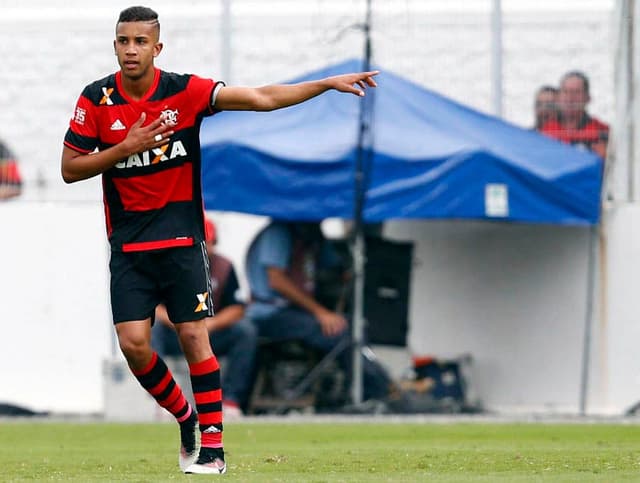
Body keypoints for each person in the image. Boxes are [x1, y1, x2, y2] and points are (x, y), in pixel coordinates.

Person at [60, 5, 378, 476]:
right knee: (133, 345)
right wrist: (124, 148)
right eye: (124, 41)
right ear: (115, 46)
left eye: (141, 42)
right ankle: (186, 417)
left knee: (193, 334)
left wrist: (325, 85)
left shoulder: (185, 92)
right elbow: (69, 169)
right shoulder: (96, 100)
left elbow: (263, 97)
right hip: (128, 246)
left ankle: (213, 445)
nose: (131, 50)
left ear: (157, 47)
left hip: (182, 240)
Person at [245, 220, 392, 407]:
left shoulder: (312, 234)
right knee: (337, 330)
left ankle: (369, 388)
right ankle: (369, 393)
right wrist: (321, 312)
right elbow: (277, 280)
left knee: (353, 325)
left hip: (298, 312)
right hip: (270, 312)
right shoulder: (279, 232)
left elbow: (333, 265)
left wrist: (346, 271)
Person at [152, 217, 257, 418]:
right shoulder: (168, 266)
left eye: (205, 242)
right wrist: (180, 323)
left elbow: (237, 308)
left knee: (246, 331)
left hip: (209, 333)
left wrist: (211, 324)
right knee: (151, 328)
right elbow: (154, 306)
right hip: (177, 332)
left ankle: (231, 400)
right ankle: (163, 397)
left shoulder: (224, 267)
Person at [540, 71, 609, 159]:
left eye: (576, 92)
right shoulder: (544, 132)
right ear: (558, 98)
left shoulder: (602, 131)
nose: (570, 98)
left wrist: (607, 159)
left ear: (588, 98)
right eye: (565, 92)